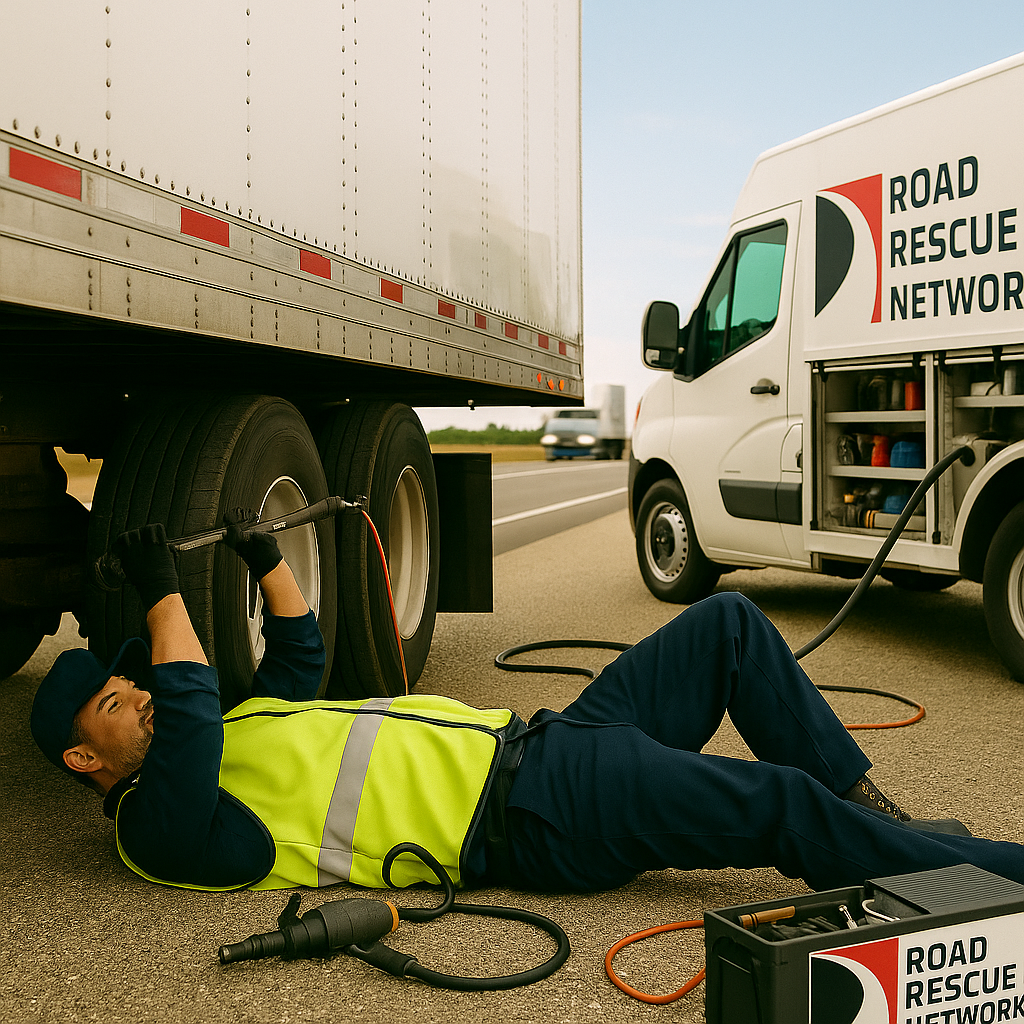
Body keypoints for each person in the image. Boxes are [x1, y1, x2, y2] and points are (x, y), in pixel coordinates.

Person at [30, 522, 1024, 895]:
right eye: (120, 702)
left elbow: (295, 657)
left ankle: (876, 821)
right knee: (780, 810)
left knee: (727, 624)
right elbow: (195, 702)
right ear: (87, 762)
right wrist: (165, 595)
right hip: (535, 816)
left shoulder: (228, 734)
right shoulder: (159, 830)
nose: (148, 695)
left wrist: (265, 557)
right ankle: (997, 880)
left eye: (137, 682)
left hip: (548, 743)